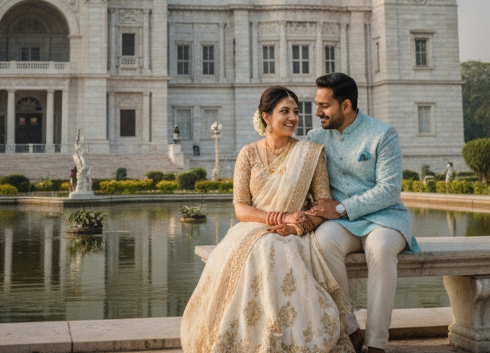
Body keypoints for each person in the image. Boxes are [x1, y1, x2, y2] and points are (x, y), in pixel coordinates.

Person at [180, 87, 355, 353]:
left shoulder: (311, 153)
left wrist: (296, 225)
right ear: (266, 116)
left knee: (271, 247)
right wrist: (279, 217)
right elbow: (241, 208)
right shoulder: (248, 154)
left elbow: (322, 205)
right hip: (252, 228)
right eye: (284, 111)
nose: (293, 118)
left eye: (295, 111)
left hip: (293, 232)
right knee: (255, 248)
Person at [306, 72, 420, 353]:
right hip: (342, 223)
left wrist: (342, 207)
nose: (317, 111)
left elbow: (389, 190)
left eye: (324, 105)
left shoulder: (382, 133)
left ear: (346, 105)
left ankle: (377, 343)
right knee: (321, 243)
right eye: (316, 104)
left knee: (381, 250)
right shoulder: (314, 137)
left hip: (385, 217)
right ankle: (350, 328)